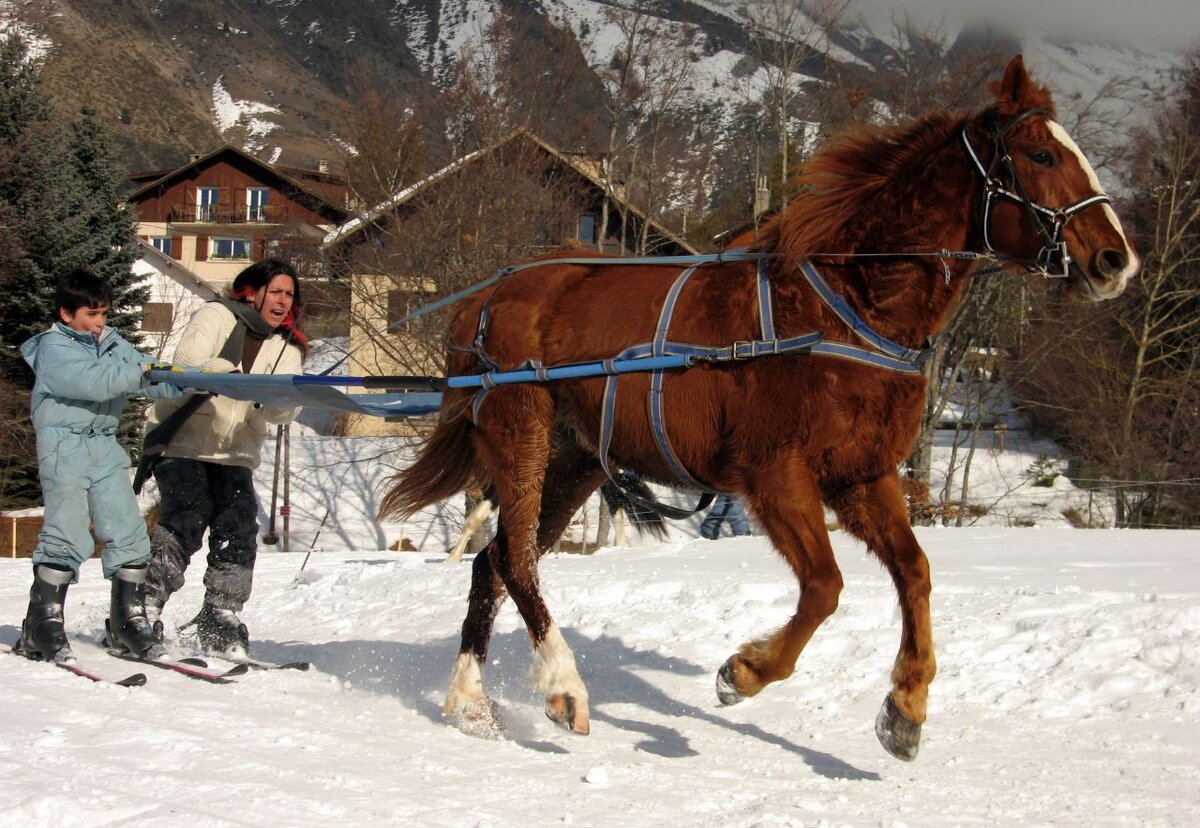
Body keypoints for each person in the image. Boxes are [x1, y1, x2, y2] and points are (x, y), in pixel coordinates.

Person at [16, 268, 180, 663]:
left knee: (128, 531)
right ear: (66, 314)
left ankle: (127, 622)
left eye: (104, 314)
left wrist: (182, 378)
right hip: (64, 447)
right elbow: (93, 382)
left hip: (104, 447)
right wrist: (139, 374)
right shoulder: (53, 348)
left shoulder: (110, 343)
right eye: (91, 315)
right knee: (67, 532)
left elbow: (147, 371)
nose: (100, 323)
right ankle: (42, 623)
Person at [143, 258, 306, 657]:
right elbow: (186, 368)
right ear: (252, 291)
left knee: (238, 526)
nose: (283, 301)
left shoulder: (288, 347)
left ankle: (222, 613)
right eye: (277, 291)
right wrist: (226, 374)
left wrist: (278, 398)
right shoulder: (215, 316)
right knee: (188, 514)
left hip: (234, 451)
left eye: (289, 294)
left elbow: (285, 411)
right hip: (183, 440)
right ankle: (143, 603)